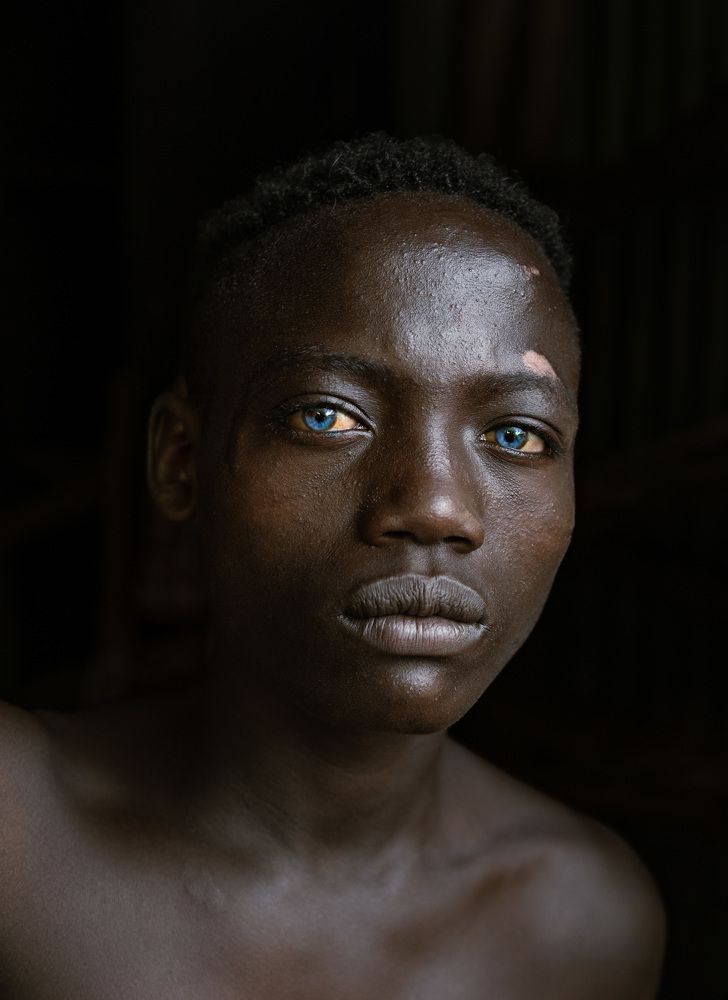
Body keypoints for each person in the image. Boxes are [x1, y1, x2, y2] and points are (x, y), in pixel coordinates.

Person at [0, 134, 665, 998]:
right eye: (328, 416)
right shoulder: (18, 843)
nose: (435, 506)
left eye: (515, 436)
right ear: (179, 462)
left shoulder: (582, 923)